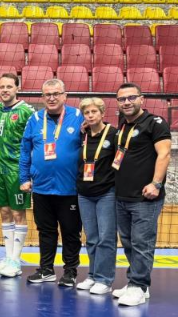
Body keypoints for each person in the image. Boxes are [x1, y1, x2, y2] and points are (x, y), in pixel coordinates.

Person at [112, 83, 172, 306]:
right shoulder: (123, 125)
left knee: (142, 243)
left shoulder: (155, 123)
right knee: (128, 242)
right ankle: (137, 283)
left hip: (146, 197)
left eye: (131, 98)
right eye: (122, 99)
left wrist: (156, 184)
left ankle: (138, 286)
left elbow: (164, 154)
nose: (127, 102)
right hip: (122, 196)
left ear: (141, 99)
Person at [20, 79, 84, 286]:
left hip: (70, 188)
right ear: (42, 97)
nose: (52, 98)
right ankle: (46, 269)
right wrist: (24, 178)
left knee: (71, 232)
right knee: (45, 231)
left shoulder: (78, 116)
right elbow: (25, 151)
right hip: (41, 188)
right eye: (47, 94)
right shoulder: (35, 119)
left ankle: (70, 271)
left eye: (56, 93)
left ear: (65, 96)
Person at [0, 73, 35, 278]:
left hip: (17, 170)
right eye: (2, 87)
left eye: (9, 86)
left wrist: (29, 173)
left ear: (17, 88)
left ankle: (16, 261)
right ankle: (8, 257)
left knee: (18, 214)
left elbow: (34, 141)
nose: (5, 90)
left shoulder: (26, 112)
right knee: (4, 212)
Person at [75, 98, 118, 295]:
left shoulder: (113, 134)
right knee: (91, 238)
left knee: (106, 238)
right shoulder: (83, 134)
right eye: (87, 112)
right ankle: (92, 275)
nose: (90, 115)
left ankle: (104, 279)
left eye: (94, 112)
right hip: (85, 193)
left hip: (106, 192)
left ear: (102, 113)